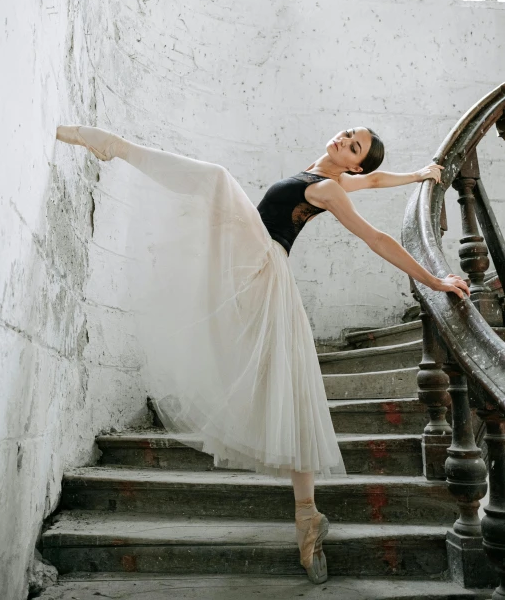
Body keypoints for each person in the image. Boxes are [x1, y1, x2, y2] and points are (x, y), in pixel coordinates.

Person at [55, 124, 469, 584]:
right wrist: (417, 174)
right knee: (286, 390)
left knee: (216, 179)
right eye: (349, 134)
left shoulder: (329, 188)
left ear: (352, 161)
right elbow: (373, 179)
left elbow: (375, 238)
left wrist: (434, 281)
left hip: (262, 265)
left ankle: (114, 147)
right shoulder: (323, 176)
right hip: (255, 265)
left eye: (354, 147)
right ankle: (307, 517)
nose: (344, 141)